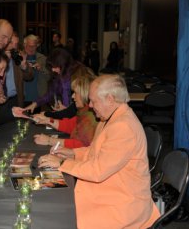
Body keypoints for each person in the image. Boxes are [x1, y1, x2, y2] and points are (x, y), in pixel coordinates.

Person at [38, 74, 160, 228]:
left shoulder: (123, 127)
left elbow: (97, 171)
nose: (89, 105)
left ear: (110, 99)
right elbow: (97, 151)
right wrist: (73, 153)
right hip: (111, 192)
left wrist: (62, 163)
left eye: (93, 101)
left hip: (122, 204)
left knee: (62, 217)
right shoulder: (110, 118)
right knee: (57, 207)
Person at [33, 74, 97, 149]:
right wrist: (47, 120)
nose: (73, 96)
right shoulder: (85, 111)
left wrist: (49, 140)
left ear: (85, 94)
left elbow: (81, 144)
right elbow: (70, 125)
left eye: (75, 93)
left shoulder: (91, 116)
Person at [25, 48, 83, 113]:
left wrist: (65, 111)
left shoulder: (78, 75)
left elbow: (80, 104)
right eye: (52, 67)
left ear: (63, 64)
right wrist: (35, 104)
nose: (53, 70)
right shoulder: (60, 75)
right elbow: (50, 93)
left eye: (55, 66)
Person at [22, 34, 49, 108]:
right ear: (24, 45)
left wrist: (41, 69)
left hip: (38, 98)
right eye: (29, 46)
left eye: (34, 46)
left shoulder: (43, 58)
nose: (32, 48)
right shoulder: (19, 57)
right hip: (22, 97)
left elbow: (49, 77)